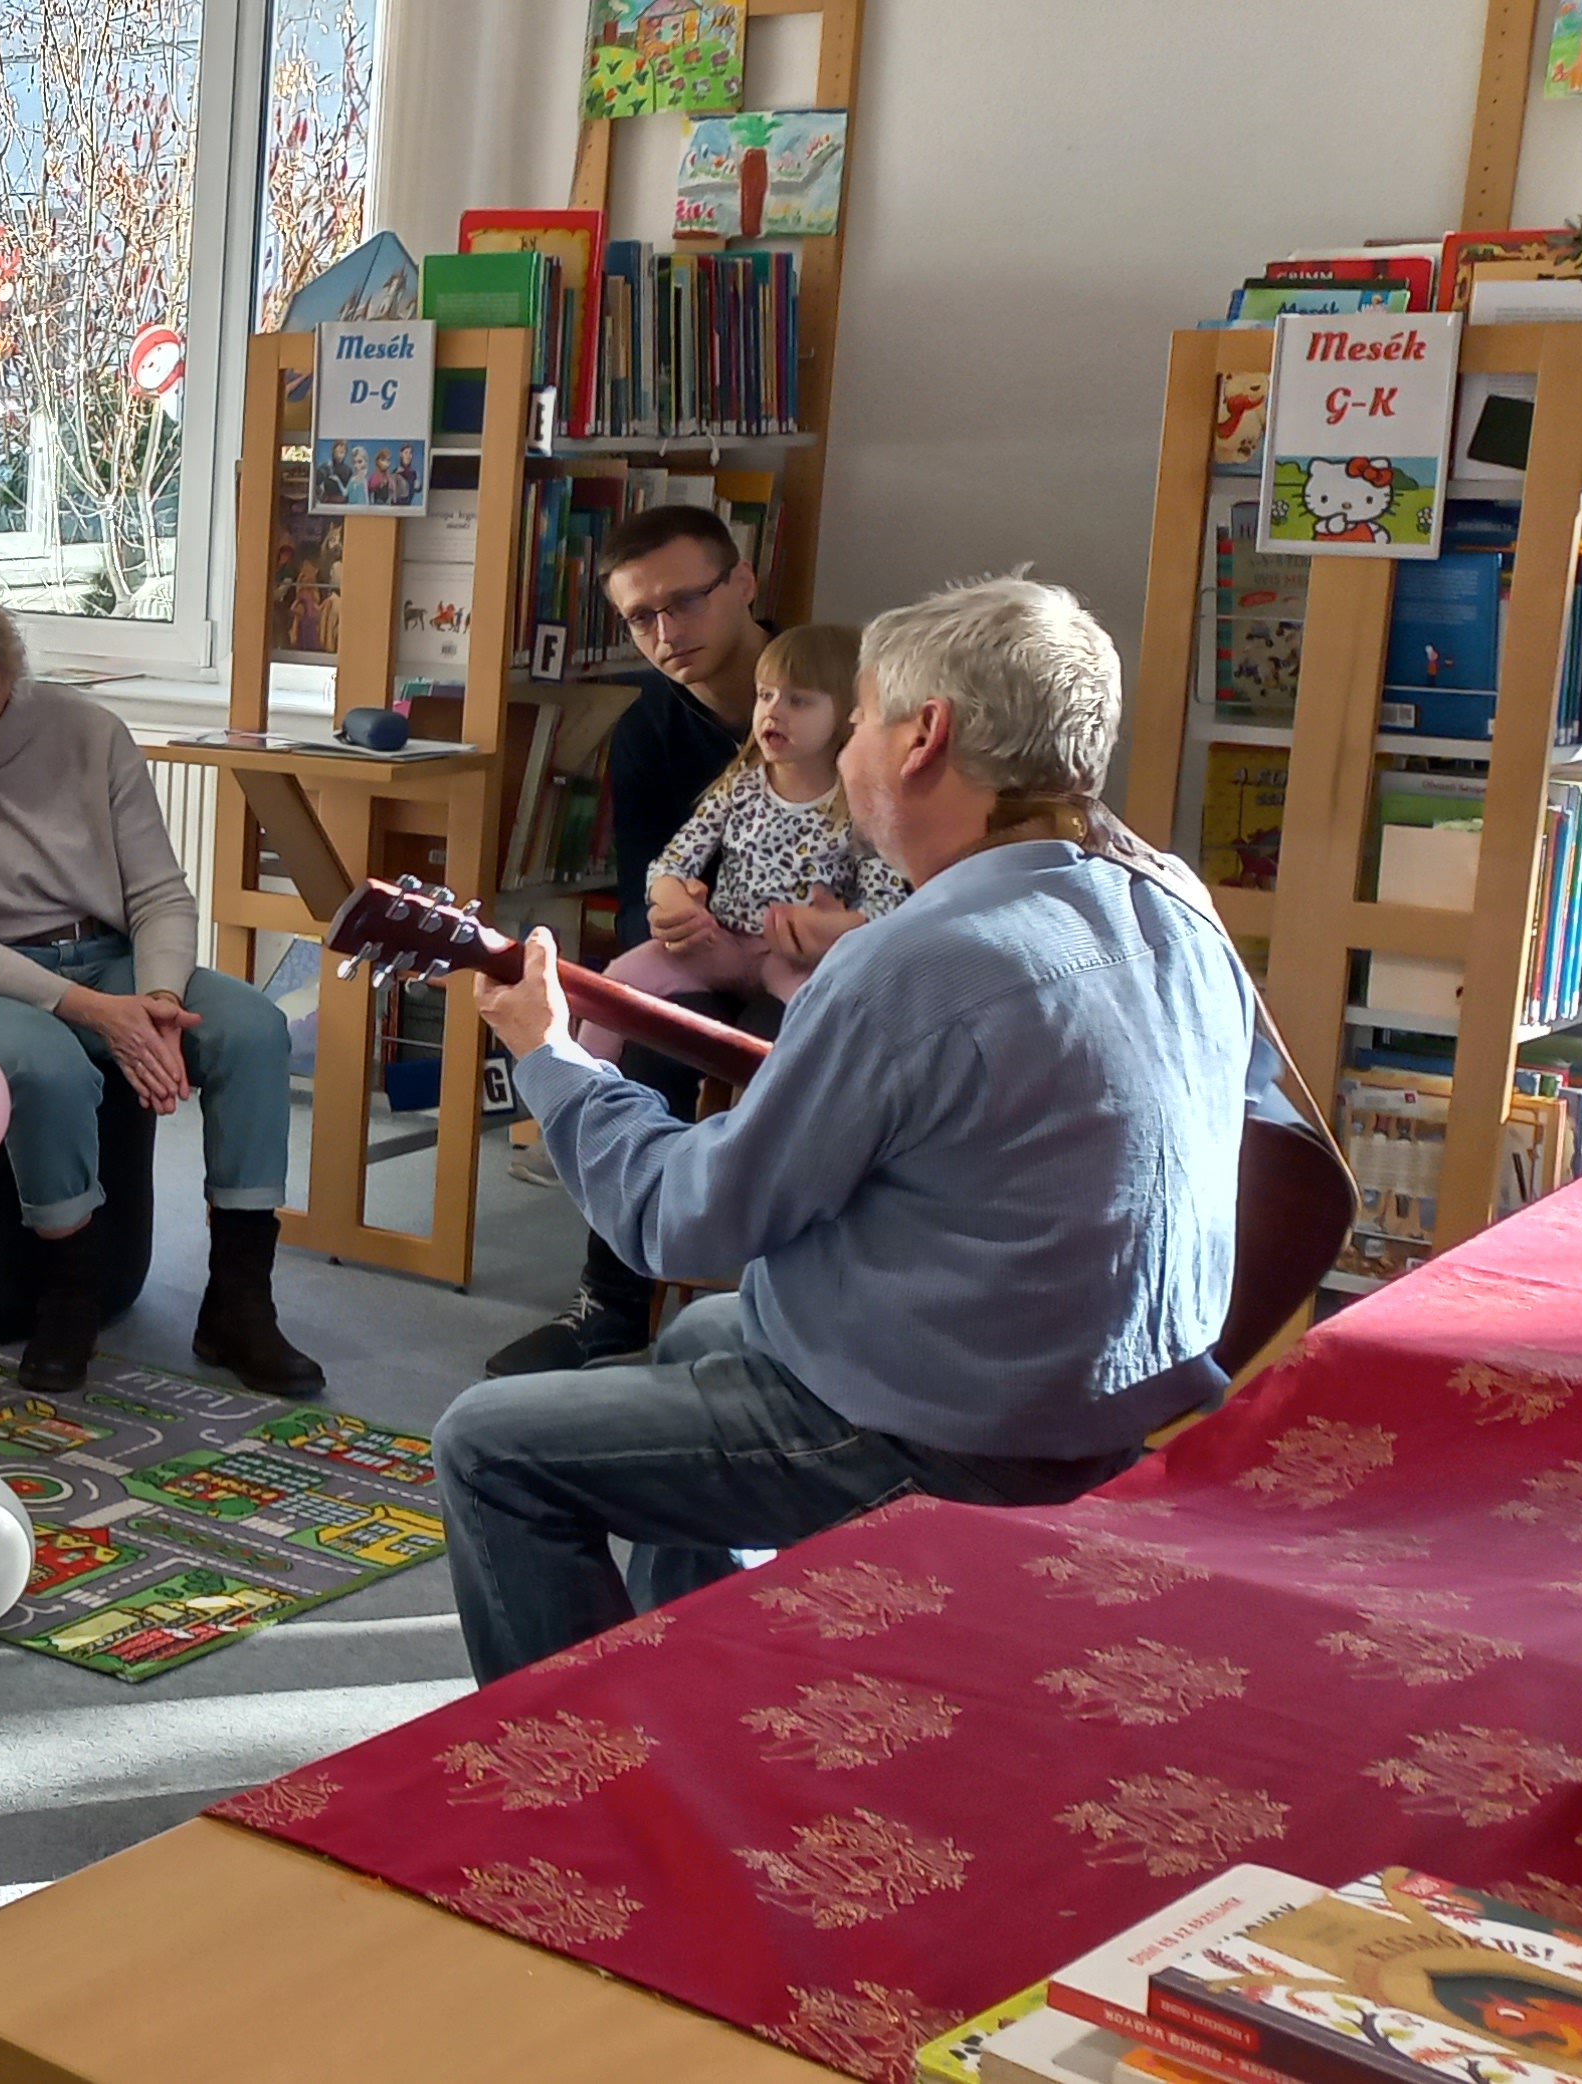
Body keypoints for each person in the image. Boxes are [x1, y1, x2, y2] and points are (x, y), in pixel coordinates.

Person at [433, 575, 1287, 1680]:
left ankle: (588, 1753)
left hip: (957, 1431)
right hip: (1126, 1386)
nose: (843, 757)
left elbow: (680, 1222)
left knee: (487, 1445)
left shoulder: (913, 959)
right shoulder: (1175, 900)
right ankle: (707, 1675)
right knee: (702, 1336)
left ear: (925, 736)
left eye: (862, 721)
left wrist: (551, 1057)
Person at [0, 579, 316, 1397]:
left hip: (115, 959)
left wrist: (158, 1004)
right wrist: (96, 1013)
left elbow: (159, 895)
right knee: (49, 1069)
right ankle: (68, 1295)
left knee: (254, 1029)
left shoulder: (91, 734)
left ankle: (239, 1303)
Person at [488, 504, 778, 1376]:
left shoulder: (832, 684)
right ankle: (610, 1304)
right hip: (700, 955)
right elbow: (640, 880)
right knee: (648, 1041)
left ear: (744, 582)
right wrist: (665, 916)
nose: (665, 633)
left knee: (798, 1052)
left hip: (817, 956)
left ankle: (788, 1314)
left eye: (684, 602)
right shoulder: (649, 724)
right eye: (640, 617)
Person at [573, 624, 906, 1115]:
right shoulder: (741, 786)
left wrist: (834, 928)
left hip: (794, 960)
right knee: (615, 986)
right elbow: (671, 863)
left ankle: (752, 1140)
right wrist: (674, 901)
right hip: (720, 943)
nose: (773, 711)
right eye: (765, 695)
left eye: (799, 700)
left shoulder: (858, 806)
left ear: (847, 715)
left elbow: (889, 908)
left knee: (818, 1031)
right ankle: (584, 1105)